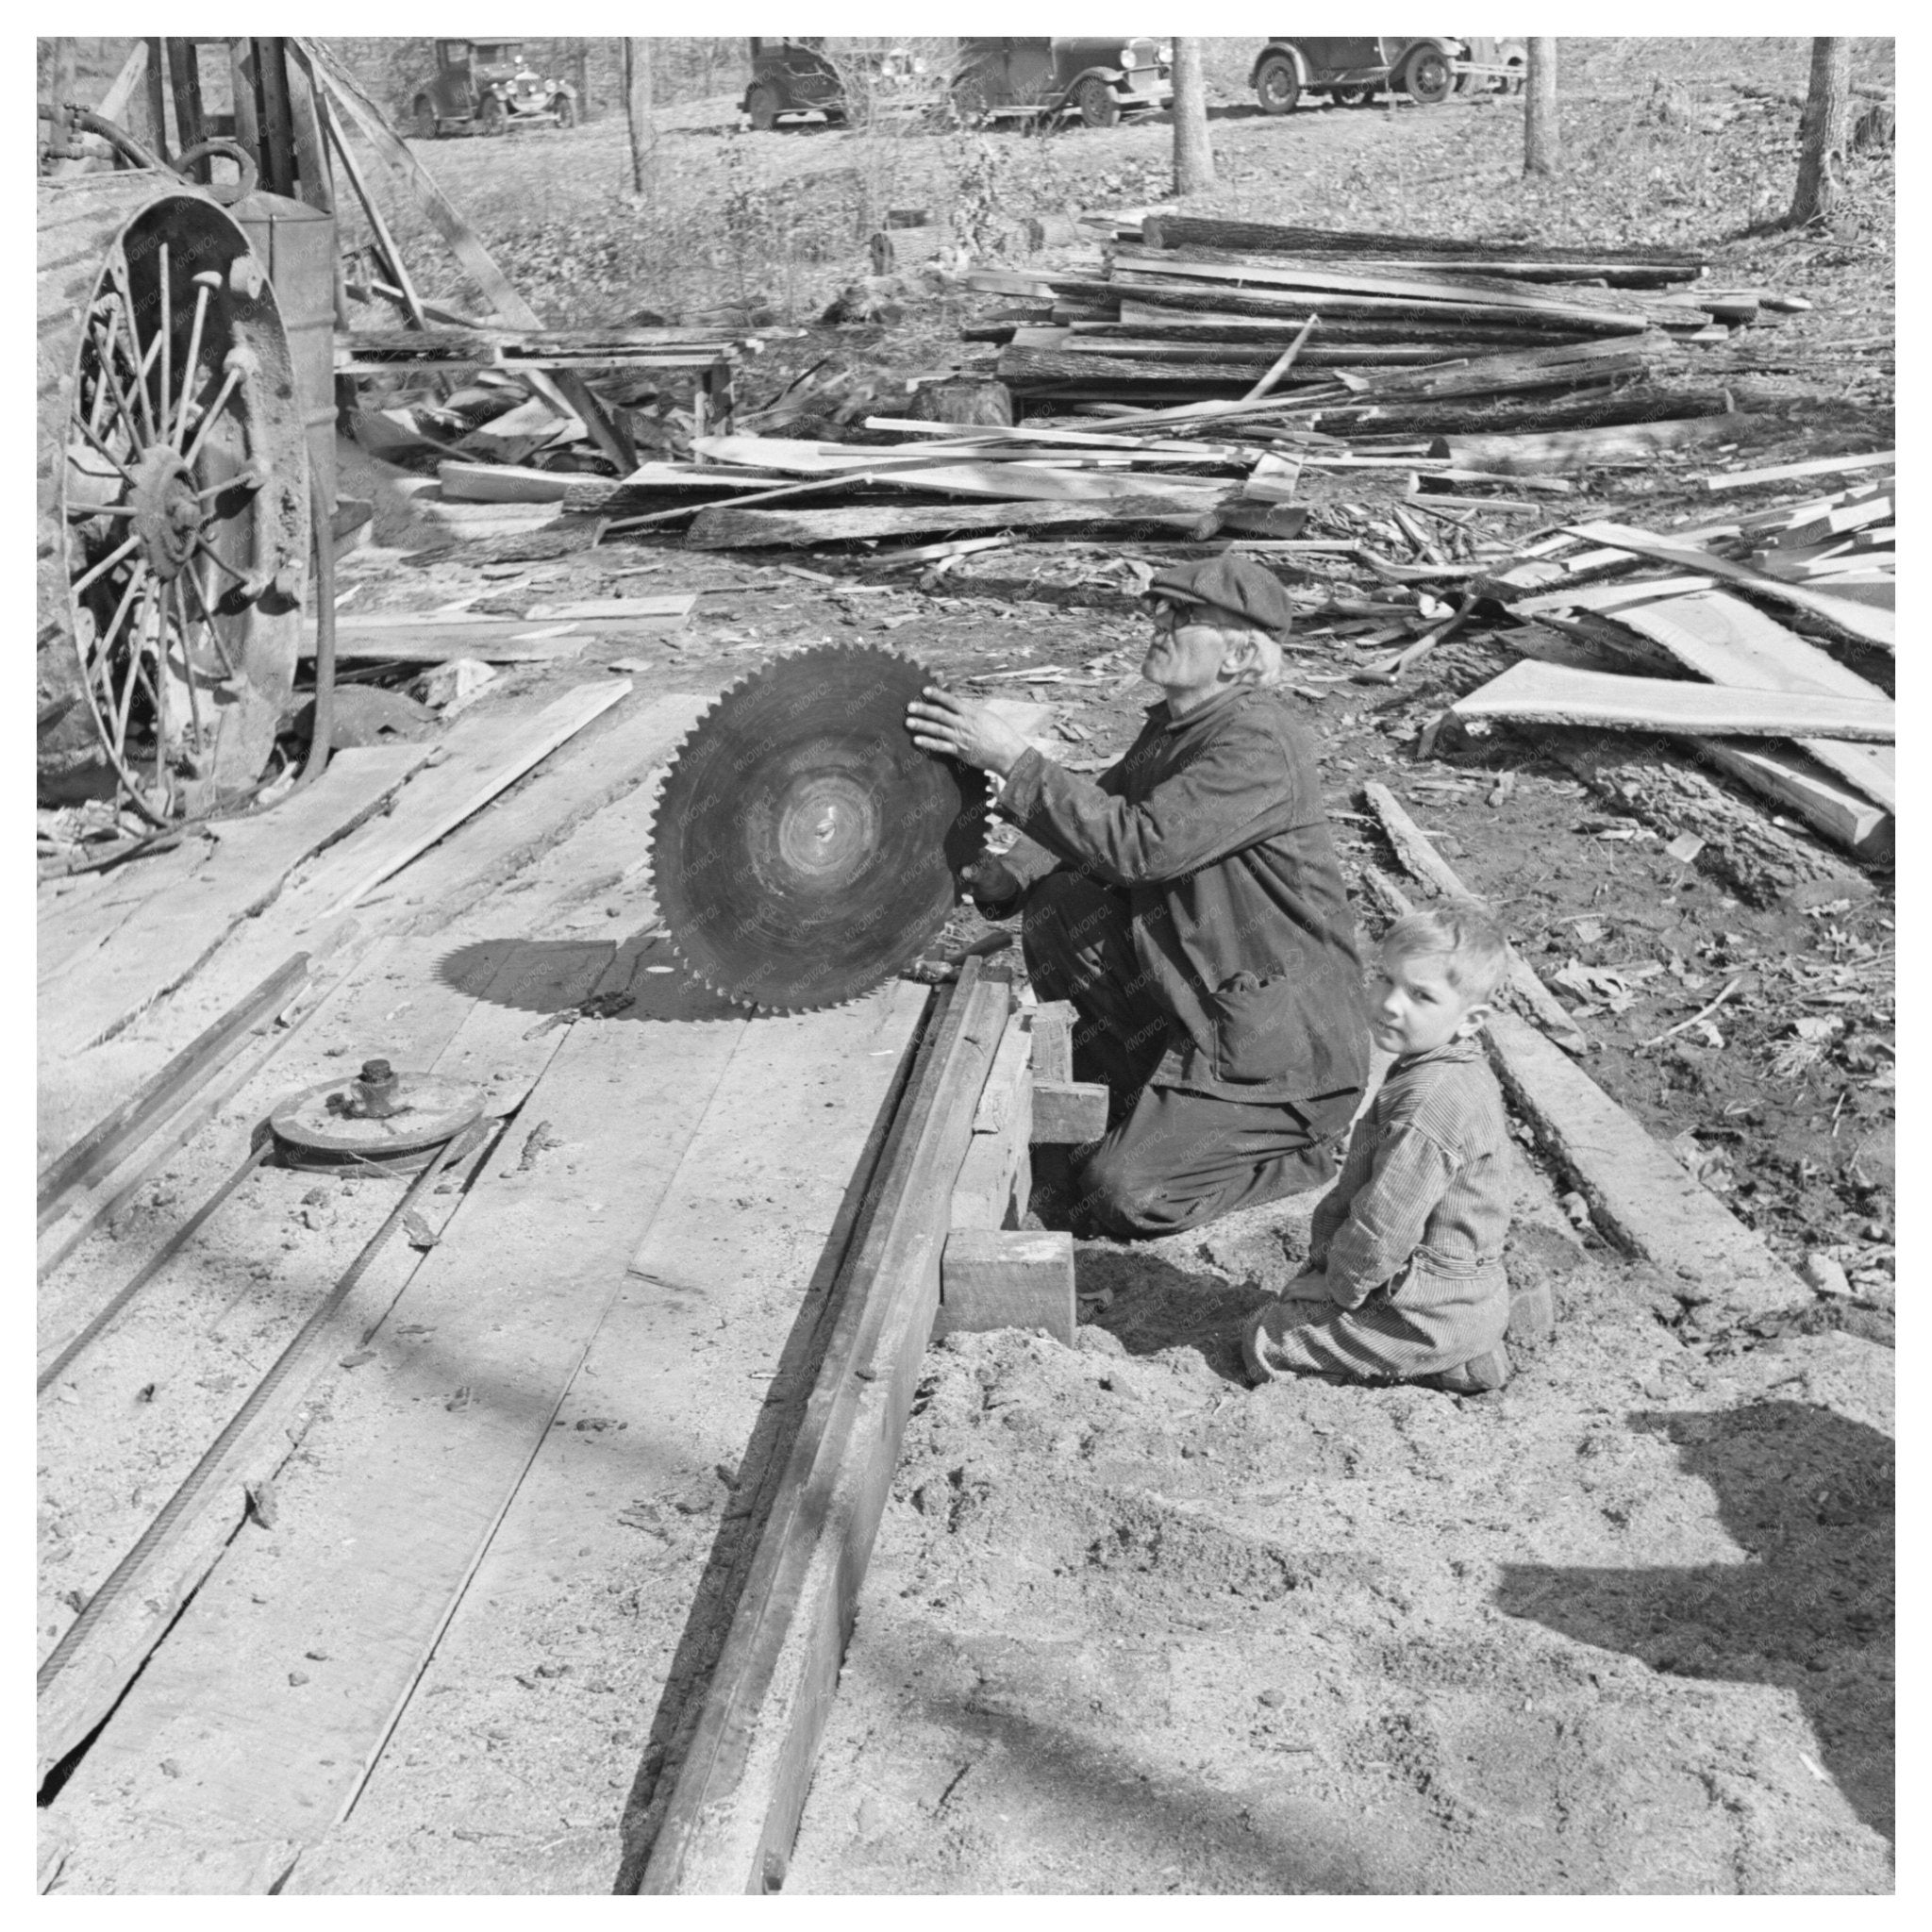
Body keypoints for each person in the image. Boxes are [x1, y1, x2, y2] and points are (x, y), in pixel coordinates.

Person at [906, 554, 1371, 1241]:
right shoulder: (1181, 727)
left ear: (1240, 653)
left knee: (1123, 1193)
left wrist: (1011, 759)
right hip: (1205, 997)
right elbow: (1110, 804)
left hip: (1281, 1048)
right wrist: (1013, 876)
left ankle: (1297, 1149)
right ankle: (1130, 1099)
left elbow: (1142, 846)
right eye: (1158, 608)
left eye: (1182, 616)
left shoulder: (1256, 743)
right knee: (1061, 901)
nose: (1156, 623)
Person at [1241, 900, 1517, 1396]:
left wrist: (1337, 1287)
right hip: (1448, 1290)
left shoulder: (1432, 1098)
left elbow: (1386, 1219)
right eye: (1386, 979)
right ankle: (1466, 1334)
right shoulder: (1441, 1065)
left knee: (1265, 1341)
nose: (1391, 1003)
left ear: (1473, 1019)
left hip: (1424, 1311)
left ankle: (1445, 1362)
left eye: (1420, 995)